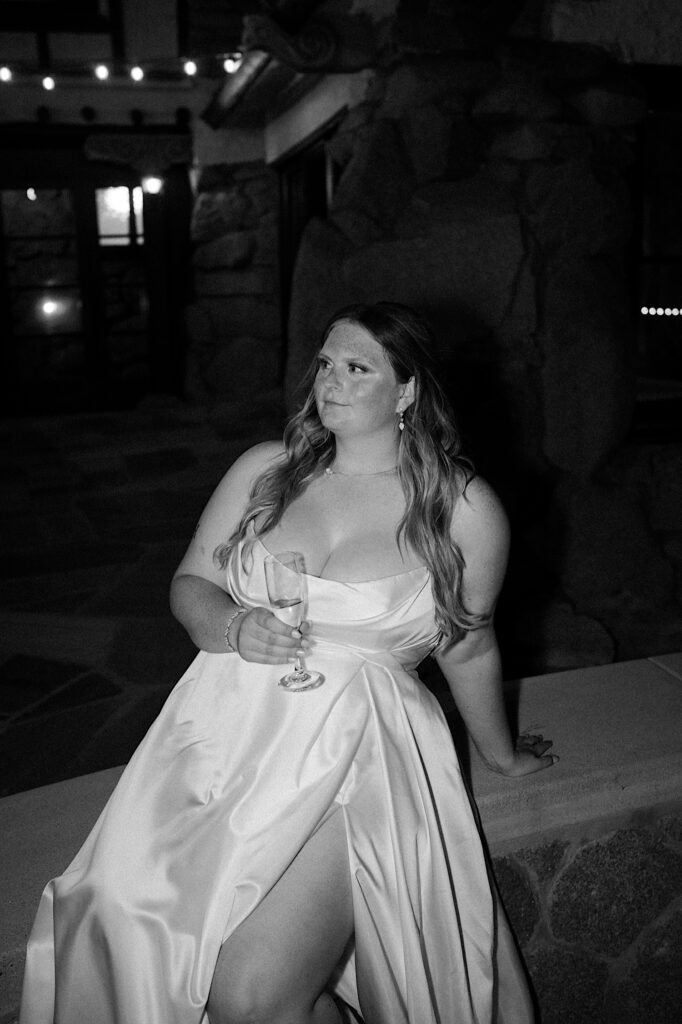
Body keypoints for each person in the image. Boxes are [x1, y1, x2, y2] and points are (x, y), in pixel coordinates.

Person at [19, 301, 557, 1024]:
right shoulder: (265, 470)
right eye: (326, 364)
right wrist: (234, 625)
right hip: (223, 741)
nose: (328, 381)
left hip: (361, 755)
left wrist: (501, 757)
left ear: (407, 392)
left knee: (251, 991)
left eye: (356, 368)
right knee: (119, 912)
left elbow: (469, 644)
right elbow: (191, 585)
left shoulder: (462, 509)